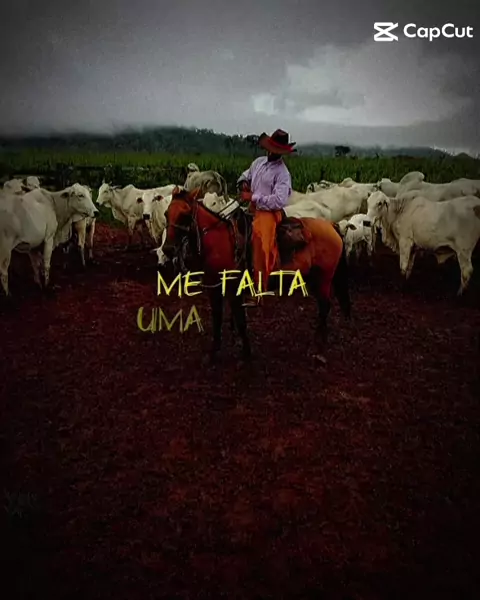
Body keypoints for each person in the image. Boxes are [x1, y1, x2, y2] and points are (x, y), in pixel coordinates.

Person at [237, 129, 296, 307]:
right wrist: (244, 182)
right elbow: (246, 174)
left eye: (276, 150)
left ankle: (259, 291)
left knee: (261, 243)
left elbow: (279, 200)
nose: (272, 152)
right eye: (271, 149)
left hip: (269, 213)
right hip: (252, 207)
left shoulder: (283, 173)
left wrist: (253, 197)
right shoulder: (258, 162)